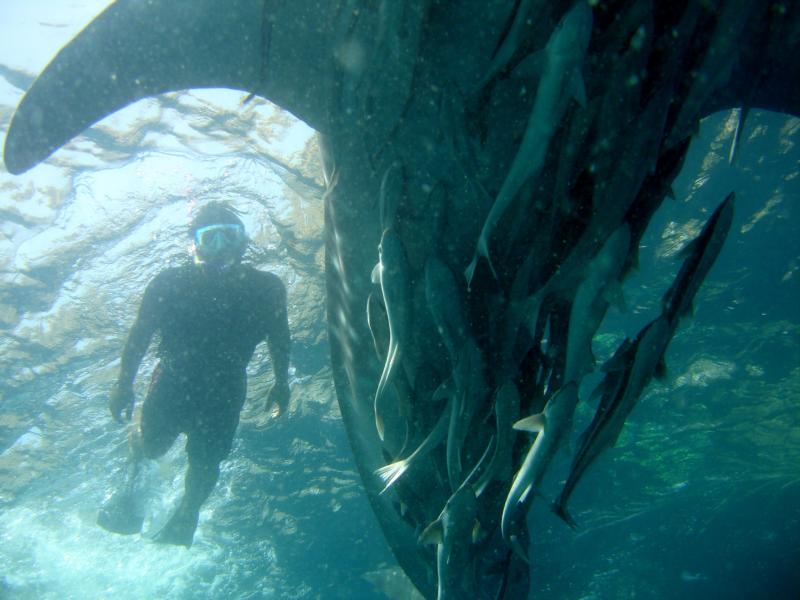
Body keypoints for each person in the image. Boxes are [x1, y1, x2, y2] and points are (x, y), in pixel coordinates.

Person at [97, 201, 291, 547]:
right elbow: (139, 335)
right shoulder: (168, 283)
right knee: (152, 446)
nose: (221, 248)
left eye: (229, 237)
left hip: (227, 387)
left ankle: (187, 513)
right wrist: (122, 385)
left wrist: (281, 382)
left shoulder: (267, 288)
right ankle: (131, 477)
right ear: (195, 243)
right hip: (174, 379)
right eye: (211, 238)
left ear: (243, 242)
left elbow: (280, 337)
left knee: (207, 460)